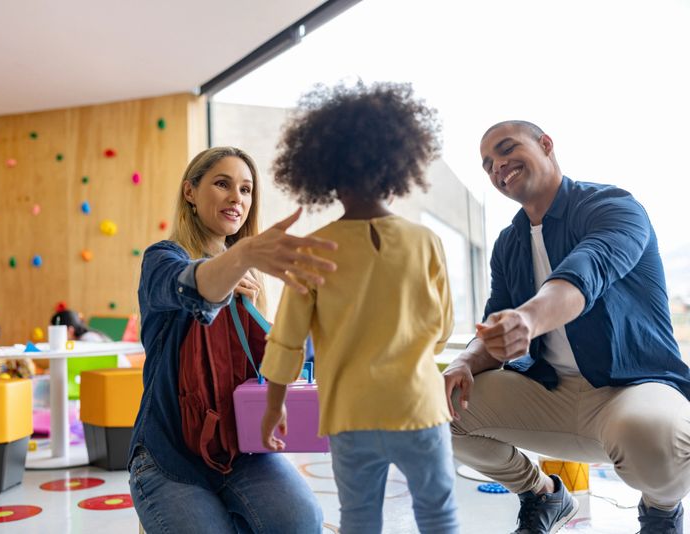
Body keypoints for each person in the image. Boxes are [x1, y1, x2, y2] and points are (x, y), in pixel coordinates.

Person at [444, 120, 690, 533]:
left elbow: (584, 274)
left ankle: (661, 510)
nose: (497, 166)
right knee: (439, 407)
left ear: (545, 144)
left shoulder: (613, 207)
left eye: (507, 149)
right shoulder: (509, 242)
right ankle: (543, 494)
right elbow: (493, 325)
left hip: (629, 389)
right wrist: (467, 359)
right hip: (549, 390)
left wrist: (528, 319)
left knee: (657, 439)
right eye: (487, 164)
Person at [259, 82, 459, 534]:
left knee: (360, 519)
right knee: (438, 514)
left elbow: (287, 340)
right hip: (419, 407)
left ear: (324, 174)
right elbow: (442, 328)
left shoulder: (310, 250)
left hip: (350, 414)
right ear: (394, 165)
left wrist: (274, 406)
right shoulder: (426, 242)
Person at [129, 146, 338, 533]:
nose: (236, 198)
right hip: (168, 455)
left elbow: (263, 365)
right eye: (222, 184)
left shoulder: (252, 279)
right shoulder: (162, 258)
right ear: (190, 192)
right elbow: (196, 286)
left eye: (245, 190)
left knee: (303, 521)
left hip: (241, 449)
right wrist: (240, 257)